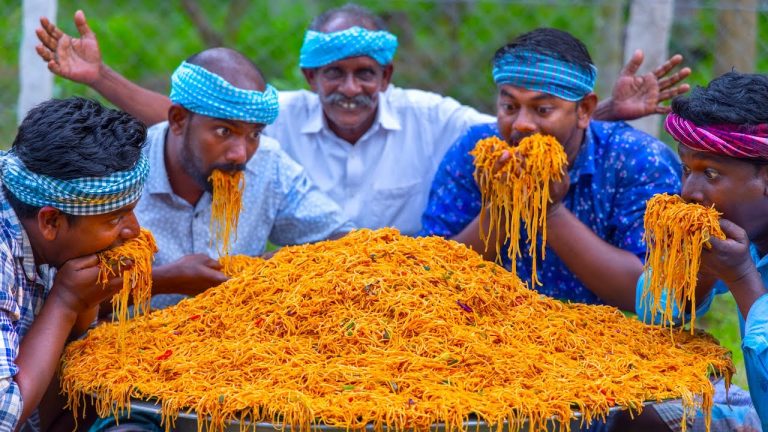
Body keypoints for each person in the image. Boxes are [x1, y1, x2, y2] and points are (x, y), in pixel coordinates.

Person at [35, 4, 691, 236]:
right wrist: (101, 79)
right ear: (311, 80)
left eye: (365, 73)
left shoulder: (432, 119)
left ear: (388, 78)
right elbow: (198, 120)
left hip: (410, 288)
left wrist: (598, 116)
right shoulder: (274, 120)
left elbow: (521, 133)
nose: (350, 87)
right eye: (334, 74)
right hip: (304, 291)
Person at [420, 28, 681, 313]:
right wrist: (503, 205)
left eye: (542, 110)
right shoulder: (475, 151)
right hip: (488, 331)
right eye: (509, 106)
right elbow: (432, 271)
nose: (521, 124)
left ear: (584, 110)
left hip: (604, 343)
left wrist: (549, 210)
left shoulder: (637, 161)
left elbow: (656, 296)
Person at [628, 72, 766, 431]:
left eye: (712, 174)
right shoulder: (748, 237)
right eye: (687, 169)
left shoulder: (744, 257)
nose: (689, 192)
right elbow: (653, 317)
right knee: (636, 416)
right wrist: (695, 271)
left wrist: (741, 278)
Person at [0, 97, 149, 431]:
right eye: (116, 218)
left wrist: (85, 305)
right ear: (51, 221)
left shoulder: (38, 222)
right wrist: (66, 302)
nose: (134, 231)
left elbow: (57, 420)